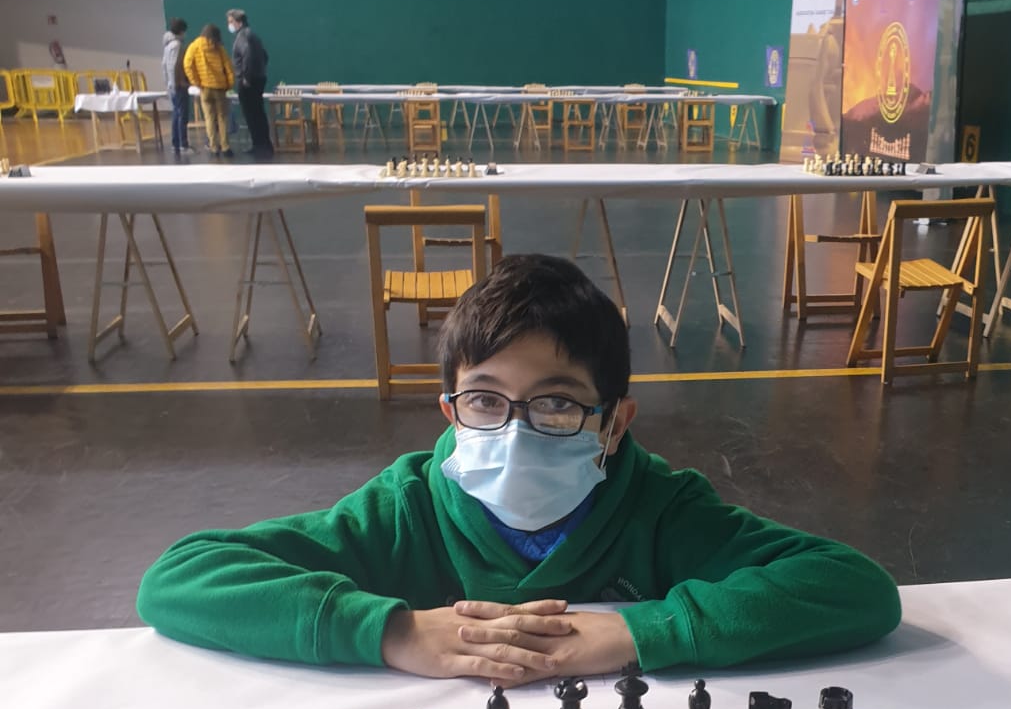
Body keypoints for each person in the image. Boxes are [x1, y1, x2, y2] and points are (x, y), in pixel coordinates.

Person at [137, 256, 901, 681]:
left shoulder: (660, 511)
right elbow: (179, 577)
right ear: (450, 412)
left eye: (557, 403)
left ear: (615, 422)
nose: (515, 430)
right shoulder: (407, 510)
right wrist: (392, 630)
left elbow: (855, 587)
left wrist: (640, 630)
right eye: (485, 401)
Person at [226, 8, 273, 160]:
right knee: (258, 112)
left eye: (231, 22)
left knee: (251, 114)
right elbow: (265, 56)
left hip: (248, 81)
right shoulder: (253, 35)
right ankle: (263, 143)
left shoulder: (243, 37)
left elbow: (248, 56)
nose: (229, 25)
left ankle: (259, 145)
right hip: (258, 78)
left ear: (239, 22)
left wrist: (246, 77)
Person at [183, 23, 235, 158]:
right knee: (222, 118)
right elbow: (228, 67)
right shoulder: (219, 48)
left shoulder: (194, 46)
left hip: (205, 89)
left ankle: (213, 147)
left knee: (209, 118)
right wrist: (230, 84)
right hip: (220, 88)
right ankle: (225, 147)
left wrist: (196, 82)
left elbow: (187, 65)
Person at [161, 16, 189, 158]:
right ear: (181, 31)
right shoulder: (176, 45)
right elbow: (172, 66)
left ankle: (176, 144)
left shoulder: (168, 45)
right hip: (178, 85)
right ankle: (183, 144)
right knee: (182, 115)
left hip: (172, 85)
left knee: (176, 114)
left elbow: (164, 65)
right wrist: (175, 84)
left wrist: (168, 84)